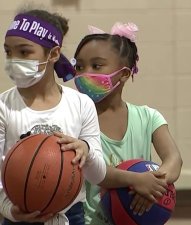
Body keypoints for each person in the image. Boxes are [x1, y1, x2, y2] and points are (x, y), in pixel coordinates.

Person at [0, 8, 107, 225]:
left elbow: (98, 175)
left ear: (54, 54)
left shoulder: (81, 104)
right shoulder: (3, 106)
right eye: (8, 52)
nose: (13, 60)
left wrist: (85, 150)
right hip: (16, 214)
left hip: (71, 214)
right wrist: (9, 210)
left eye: (24, 52)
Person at [72, 22, 183, 225]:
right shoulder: (74, 120)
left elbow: (174, 159)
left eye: (96, 66)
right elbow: (95, 172)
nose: (85, 73)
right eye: (79, 66)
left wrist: (154, 184)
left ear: (124, 73)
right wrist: (137, 181)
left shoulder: (148, 117)